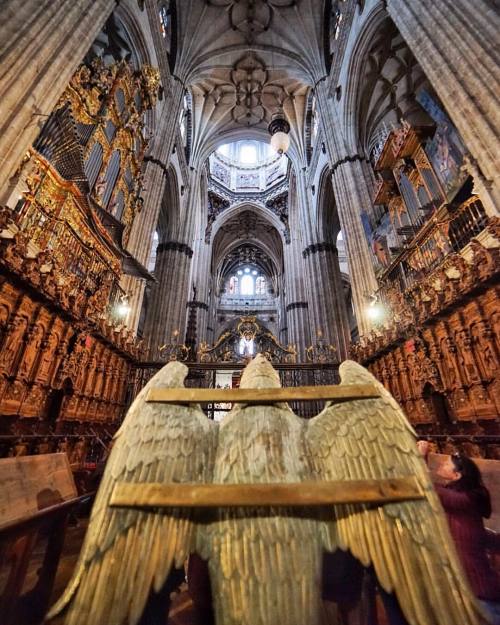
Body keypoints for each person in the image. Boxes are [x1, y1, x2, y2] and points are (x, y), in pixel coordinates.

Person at [418, 442, 500, 624]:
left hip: (479, 586)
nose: (441, 465)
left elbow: (427, 488)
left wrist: (421, 457)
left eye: (446, 464)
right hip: (466, 583)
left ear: (456, 475)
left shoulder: (462, 500)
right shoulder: (459, 495)